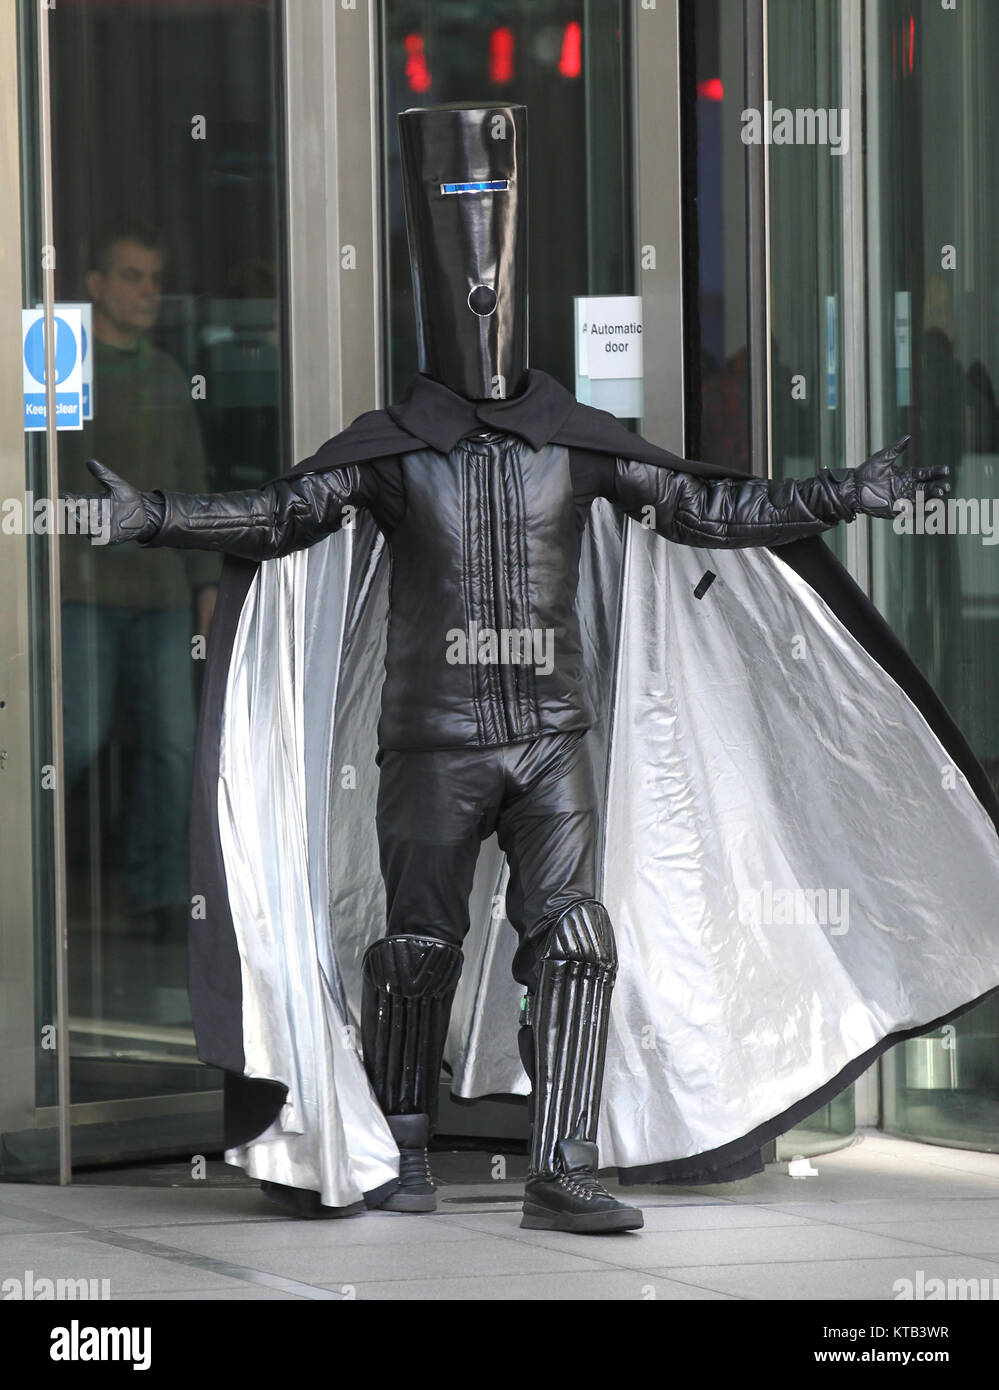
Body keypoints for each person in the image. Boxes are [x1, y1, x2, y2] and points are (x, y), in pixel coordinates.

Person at [66, 106, 989, 1240]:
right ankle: (400, 1140)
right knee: (416, 946)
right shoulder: (394, 450)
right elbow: (283, 514)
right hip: (433, 739)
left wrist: (843, 492)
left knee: (578, 939)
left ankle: (565, 1161)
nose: (484, 300)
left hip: (553, 736)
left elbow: (706, 507)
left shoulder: (580, 438)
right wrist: (156, 514)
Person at [59, 220, 219, 939]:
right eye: (132, 276)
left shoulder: (161, 370)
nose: (149, 291)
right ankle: (33, 875)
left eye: (155, 278)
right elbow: (46, 478)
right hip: (82, 588)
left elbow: (188, 480)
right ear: (94, 286)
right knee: (75, 737)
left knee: (174, 745)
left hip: (156, 594)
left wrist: (205, 583)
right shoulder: (62, 363)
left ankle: (157, 892)